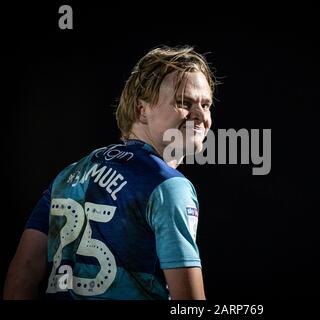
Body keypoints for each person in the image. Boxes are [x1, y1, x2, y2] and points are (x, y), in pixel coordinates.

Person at [3, 45, 216, 300]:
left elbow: (21, 276)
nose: (200, 115)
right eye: (184, 102)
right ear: (141, 110)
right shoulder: (169, 186)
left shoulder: (69, 176)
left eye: (206, 104)